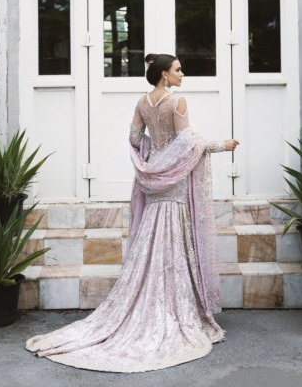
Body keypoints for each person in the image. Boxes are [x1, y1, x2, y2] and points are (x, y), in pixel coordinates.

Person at [26, 53, 239, 373]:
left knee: (151, 237)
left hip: (153, 181)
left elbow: (135, 138)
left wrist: (152, 160)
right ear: (164, 75)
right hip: (175, 184)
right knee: (174, 241)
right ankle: (172, 308)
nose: (183, 74)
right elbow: (187, 145)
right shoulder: (177, 103)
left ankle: (147, 303)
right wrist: (221, 145)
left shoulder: (143, 102)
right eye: (178, 70)